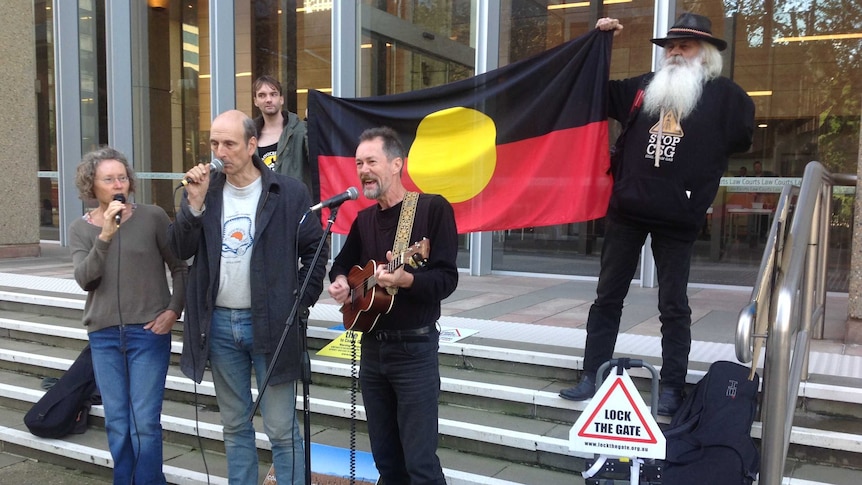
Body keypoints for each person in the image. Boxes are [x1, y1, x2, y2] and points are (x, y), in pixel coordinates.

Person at [558, 13, 755, 416]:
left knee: (674, 306)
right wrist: (599, 42)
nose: (676, 52)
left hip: (678, 218)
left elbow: (741, 140)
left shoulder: (728, 99)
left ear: (707, 53)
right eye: (671, 46)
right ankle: (592, 372)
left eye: (686, 45)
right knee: (608, 296)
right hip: (627, 211)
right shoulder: (642, 89)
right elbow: (592, 90)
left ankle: (671, 386)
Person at [168, 109, 328, 484]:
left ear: (252, 144)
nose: (220, 151)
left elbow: (316, 250)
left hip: (272, 323)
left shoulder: (287, 192)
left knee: (281, 428)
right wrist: (193, 205)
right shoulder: (208, 192)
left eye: (229, 143)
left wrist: (299, 303)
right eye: (214, 143)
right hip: (220, 324)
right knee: (234, 424)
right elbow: (179, 247)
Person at [327, 126, 459, 484]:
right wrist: (340, 283)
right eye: (358, 163)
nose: (363, 170)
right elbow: (342, 264)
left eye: (371, 161)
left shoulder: (432, 209)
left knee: (420, 464)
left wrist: (408, 280)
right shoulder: (363, 219)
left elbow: (447, 279)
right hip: (372, 350)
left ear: (397, 163)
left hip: (414, 350)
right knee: (386, 461)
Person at [69, 146, 187, 484]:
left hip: (147, 334)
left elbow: (180, 268)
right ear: (92, 186)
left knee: (145, 422)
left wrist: (172, 311)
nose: (118, 183)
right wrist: (105, 234)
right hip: (104, 337)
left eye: (122, 177)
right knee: (117, 422)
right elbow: (85, 279)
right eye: (108, 179)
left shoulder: (152, 217)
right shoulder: (82, 229)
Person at [252, 75, 318, 201]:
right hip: (262, 208)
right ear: (255, 101)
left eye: (273, 94)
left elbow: (318, 159)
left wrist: (313, 125)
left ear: (281, 99)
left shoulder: (301, 131)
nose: (268, 99)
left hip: (295, 206)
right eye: (262, 95)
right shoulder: (249, 137)